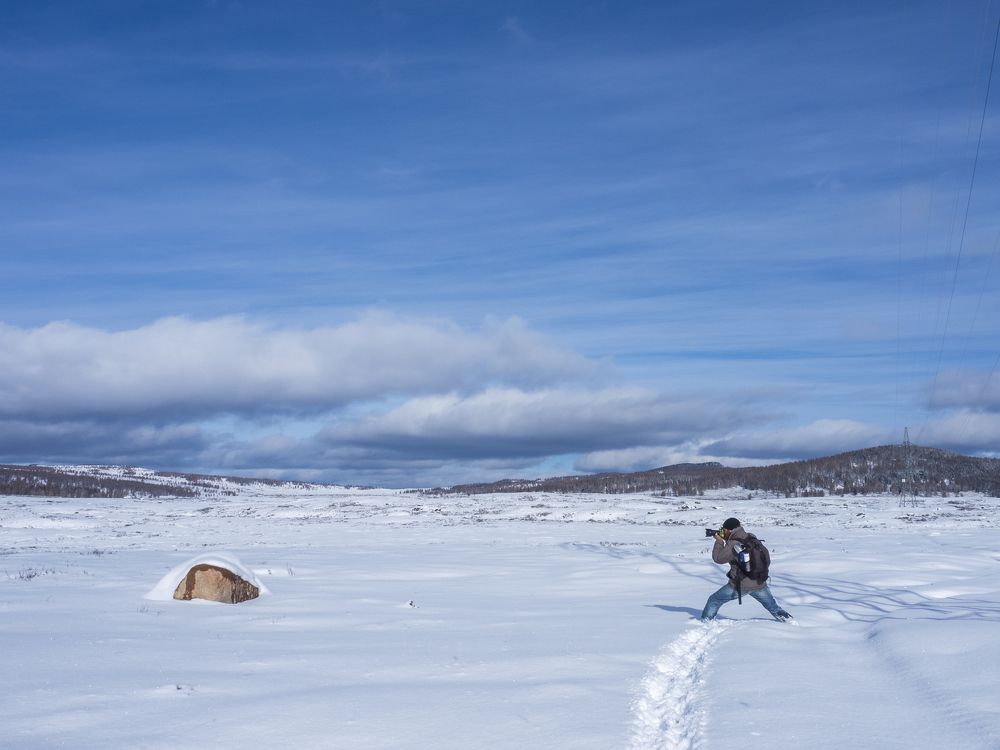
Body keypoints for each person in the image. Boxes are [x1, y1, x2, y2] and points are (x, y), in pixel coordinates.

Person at [700, 517, 792, 622]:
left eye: (724, 530)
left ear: (729, 530)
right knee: (773, 607)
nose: (723, 532)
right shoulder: (751, 537)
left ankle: (705, 622)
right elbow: (765, 558)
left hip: (740, 585)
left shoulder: (733, 543)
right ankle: (789, 621)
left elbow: (718, 559)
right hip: (759, 582)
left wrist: (719, 541)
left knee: (714, 600)